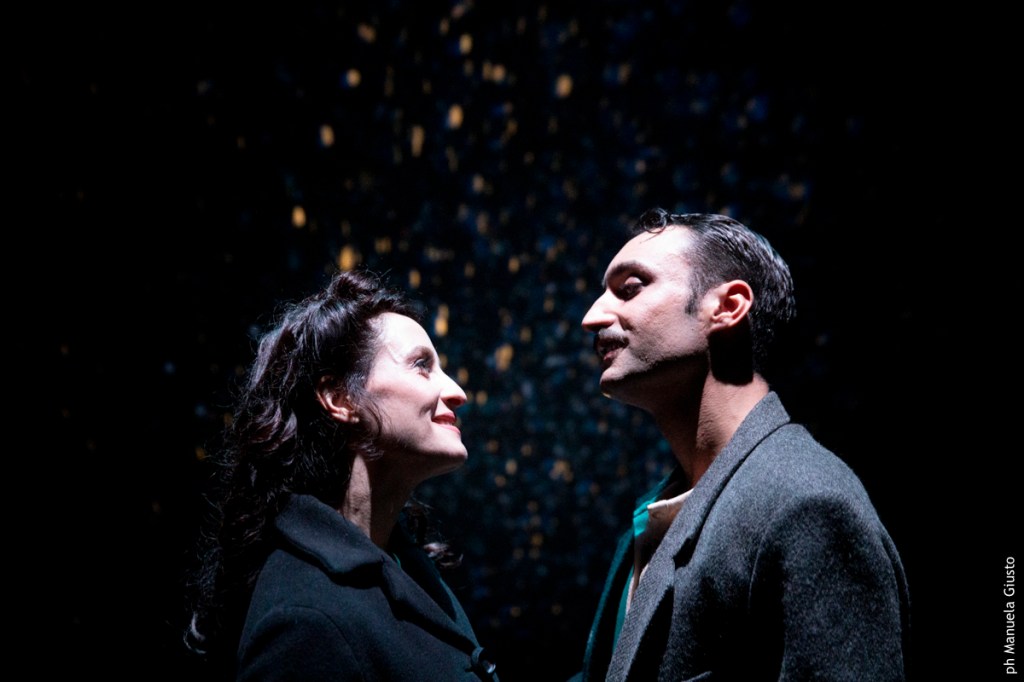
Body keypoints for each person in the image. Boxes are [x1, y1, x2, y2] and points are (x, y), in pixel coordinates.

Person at [574, 208, 911, 681]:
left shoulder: (807, 505)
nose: (592, 317)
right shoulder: (655, 516)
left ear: (728, 306)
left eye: (630, 288)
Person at [184, 269, 499, 681]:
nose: (457, 390)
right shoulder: (303, 621)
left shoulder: (400, 562)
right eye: (422, 365)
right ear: (340, 398)